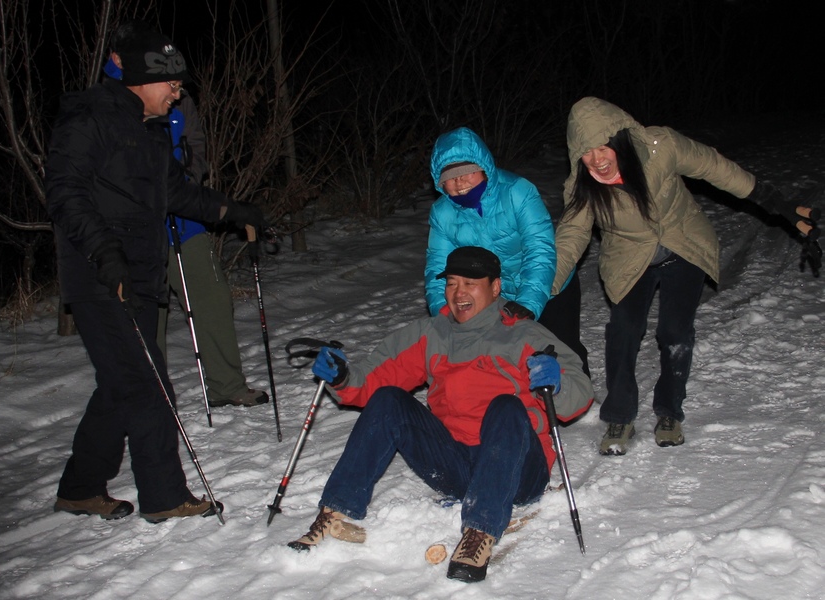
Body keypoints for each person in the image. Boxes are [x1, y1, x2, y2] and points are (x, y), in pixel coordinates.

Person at [45, 26, 267, 522]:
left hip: (140, 273)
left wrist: (236, 210)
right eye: (171, 83)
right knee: (147, 382)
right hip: (102, 275)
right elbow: (66, 194)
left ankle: (81, 486)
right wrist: (105, 254)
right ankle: (165, 496)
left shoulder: (149, 130)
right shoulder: (88, 119)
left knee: (121, 382)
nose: (178, 92)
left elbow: (179, 194)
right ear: (142, 79)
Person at [287, 246, 594, 583]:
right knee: (389, 399)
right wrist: (343, 376)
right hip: (456, 466)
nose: (458, 293)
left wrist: (557, 383)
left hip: (518, 471)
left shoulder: (525, 334)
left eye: (470, 283)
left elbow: (580, 394)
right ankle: (335, 512)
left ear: (495, 287)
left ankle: (480, 531)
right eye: (451, 283)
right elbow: (373, 379)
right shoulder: (431, 333)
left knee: (506, 405)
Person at [553, 96, 819, 456]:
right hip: (629, 259)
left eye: (604, 147)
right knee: (623, 331)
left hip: (683, 245)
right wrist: (539, 288)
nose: (597, 159)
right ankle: (619, 415)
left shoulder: (660, 146)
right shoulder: (582, 187)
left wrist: (780, 205)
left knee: (674, 331)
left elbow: (718, 169)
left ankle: (669, 411)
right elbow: (570, 239)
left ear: (621, 141)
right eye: (586, 152)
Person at [104, 23, 269, 408]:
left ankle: (226, 386)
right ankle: (153, 397)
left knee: (210, 296)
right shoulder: (112, 103)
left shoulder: (178, 97)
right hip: (137, 228)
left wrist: (188, 186)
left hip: (185, 216)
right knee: (148, 313)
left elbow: (195, 145)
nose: (176, 91)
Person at [425, 127, 591, 377]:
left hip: (548, 284)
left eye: (466, 172)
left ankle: (581, 401)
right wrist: (447, 314)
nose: (459, 182)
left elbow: (540, 250)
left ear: (483, 167)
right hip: (493, 296)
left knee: (561, 348)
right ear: (439, 181)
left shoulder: (517, 192)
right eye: (450, 177)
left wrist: (526, 305)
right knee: (507, 358)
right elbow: (438, 268)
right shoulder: (442, 214)